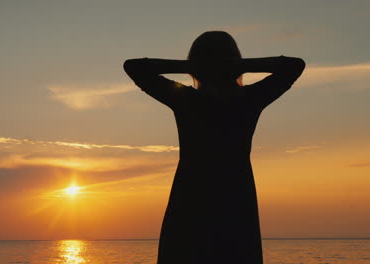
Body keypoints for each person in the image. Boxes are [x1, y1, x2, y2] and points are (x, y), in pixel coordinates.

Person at [123, 31, 305, 264]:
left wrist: (196, 66)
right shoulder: (249, 98)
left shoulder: (187, 99)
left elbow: (136, 68)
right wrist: (237, 65)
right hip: (234, 198)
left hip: (193, 197)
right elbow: (292, 67)